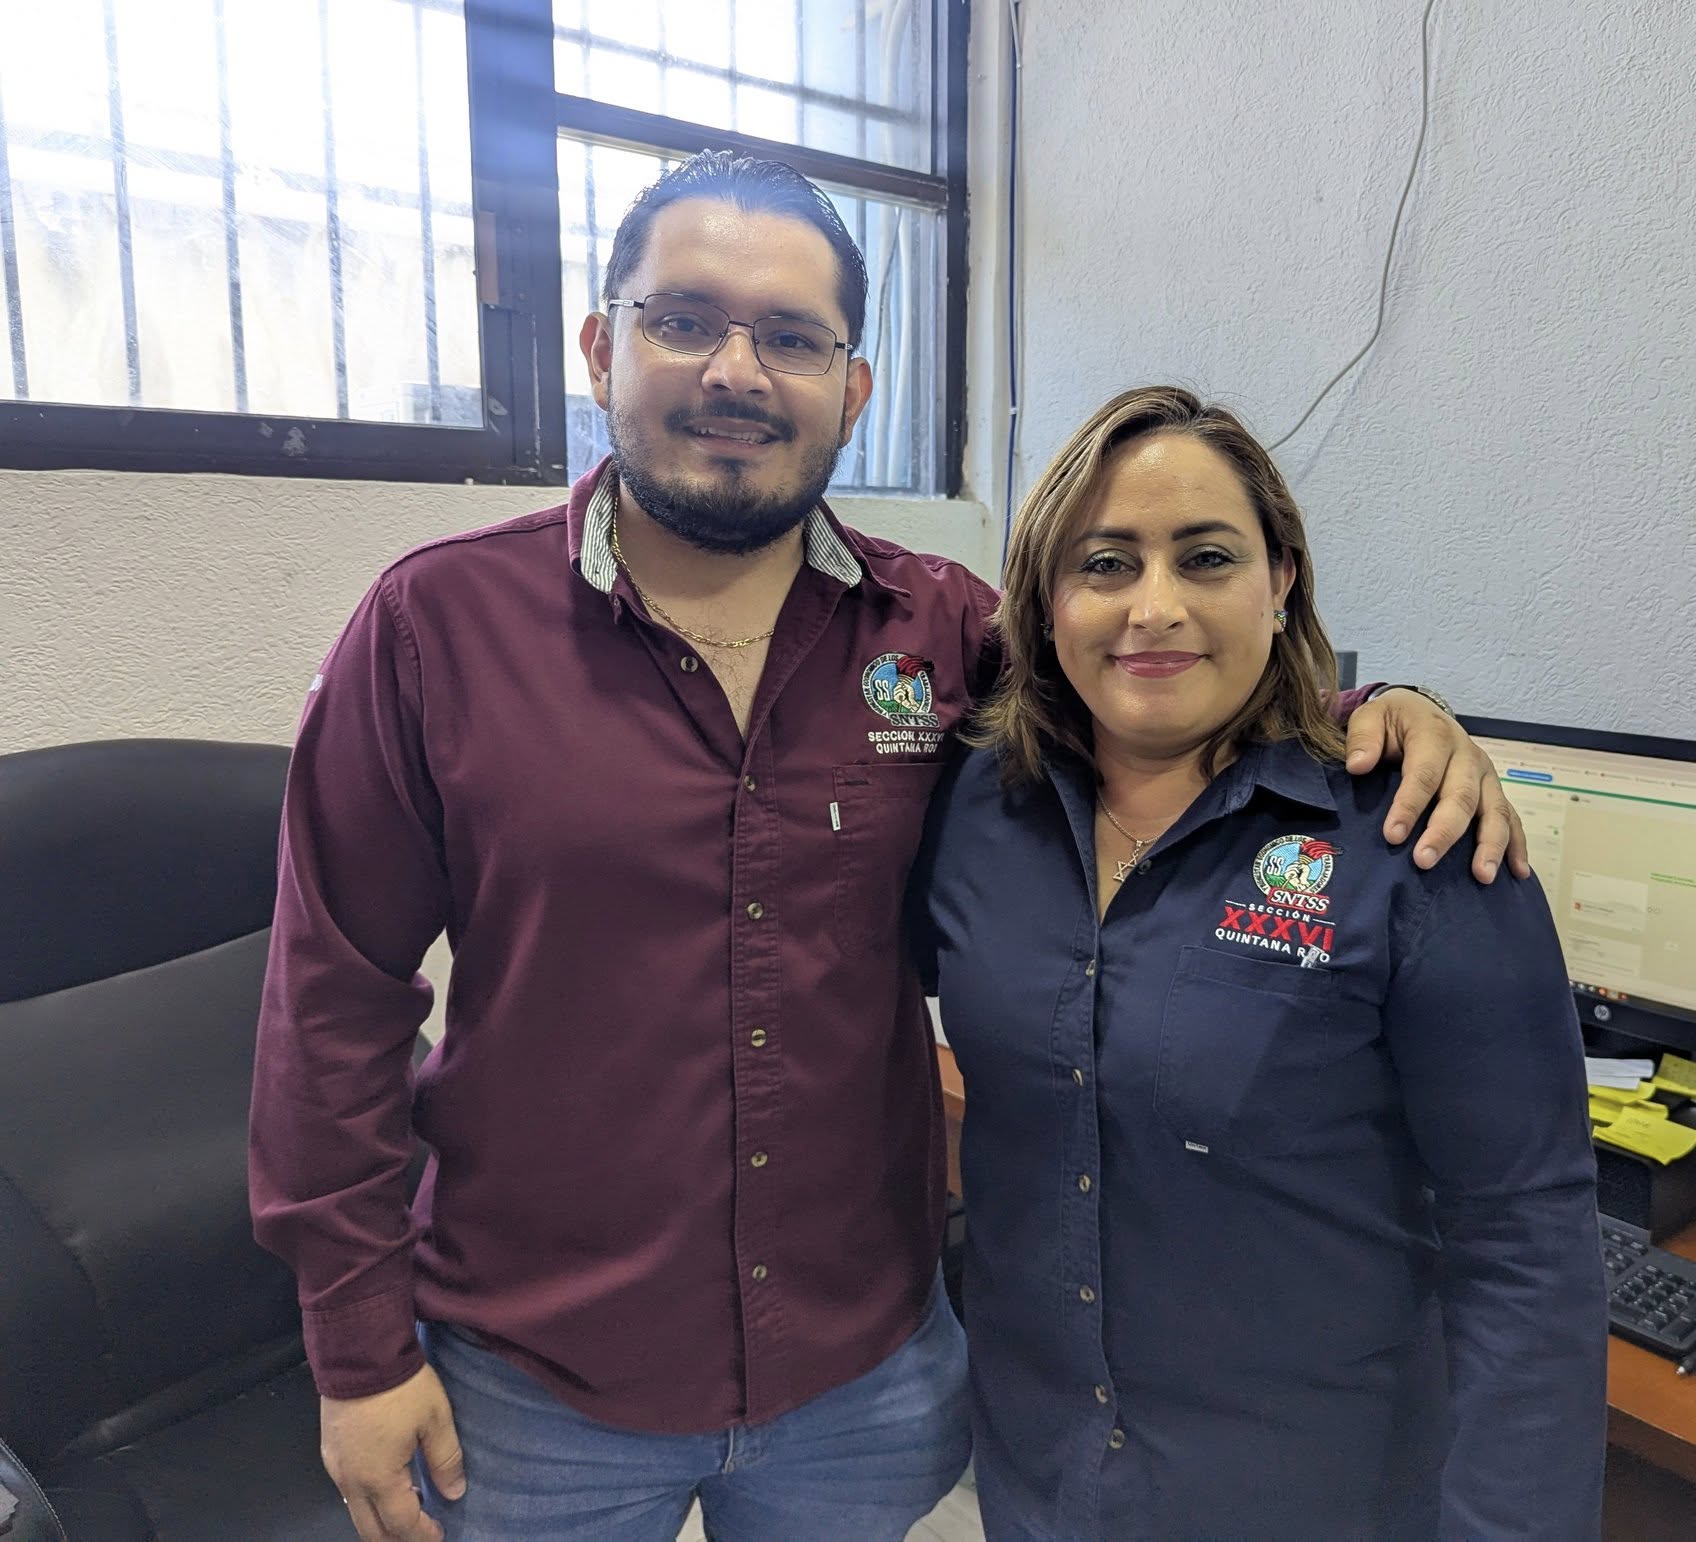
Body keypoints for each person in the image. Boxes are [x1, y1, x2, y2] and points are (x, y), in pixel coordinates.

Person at [248, 153, 1527, 1542]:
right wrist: (357, 1349)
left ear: (852, 389)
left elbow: (1140, 680)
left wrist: (1376, 713)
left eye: (791, 338)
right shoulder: (432, 631)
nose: (735, 371)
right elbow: (332, 1001)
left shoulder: (944, 632)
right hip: (533, 1384)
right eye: (685, 320)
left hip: (861, 1383)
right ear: (602, 348)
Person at [911, 387, 1608, 1539]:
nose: (1155, 607)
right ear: (1045, 600)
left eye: (1206, 558)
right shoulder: (978, 801)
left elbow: (1525, 1239)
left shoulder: (1415, 836)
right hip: (1038, 1475)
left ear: (1277, 582)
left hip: (1314, 1494)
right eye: (1104, 564)